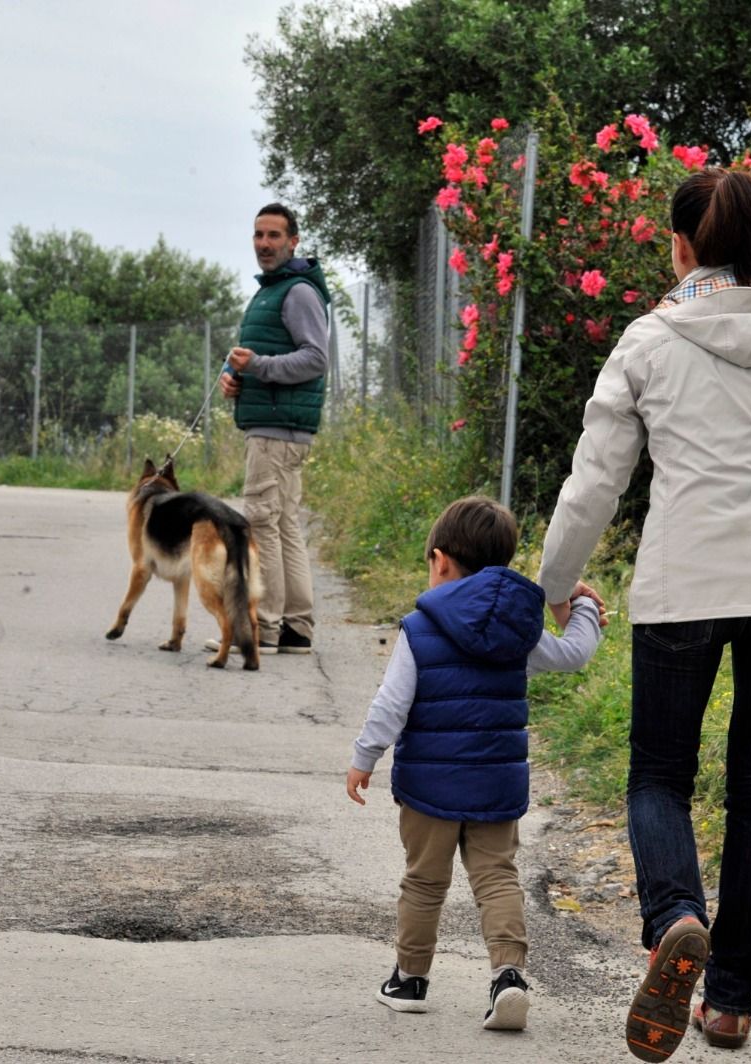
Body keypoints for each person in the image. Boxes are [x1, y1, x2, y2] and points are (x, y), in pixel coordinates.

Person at [536, 169, 751, 1059]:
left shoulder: (649, 341)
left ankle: (675, 920)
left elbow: (595, 483)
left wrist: (552, 584)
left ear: (685, 246)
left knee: (660, 774)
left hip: (681, 587)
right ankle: (729, 1005)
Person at [346, 495, 605, 1031]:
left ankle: (410, 980)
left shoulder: (420, 628)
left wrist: (364, 757)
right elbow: (574, 653)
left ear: (440, 560)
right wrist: (579, 606)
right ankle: (508, 977)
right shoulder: (516, 630)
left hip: (429, 787)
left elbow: (391, 703)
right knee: (497, 878)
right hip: (494, 784)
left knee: (423, 882)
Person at [214, 203, 330, 656]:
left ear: (294, 241)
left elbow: (316, 358)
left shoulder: (296, 292)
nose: (264, 243)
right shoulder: (274, 290)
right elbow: (273, 361)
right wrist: (237, 382)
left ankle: (264, 626)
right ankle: (296, 629)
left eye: (274, 236)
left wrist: (258, 366)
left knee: (262, 526)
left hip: (277, 431)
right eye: (258, 235)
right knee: (282, 526)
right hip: (278, 425)